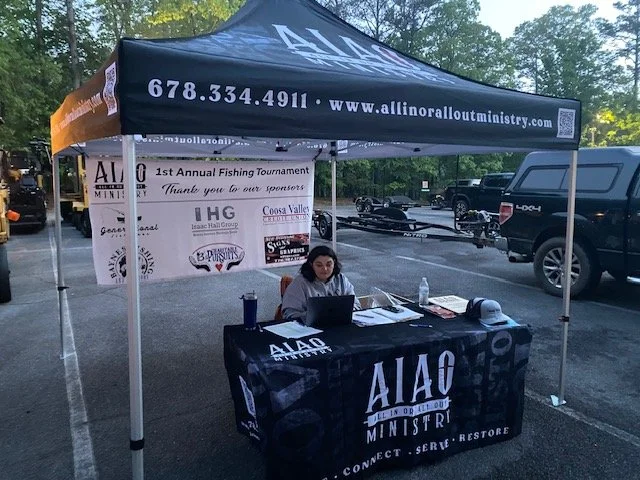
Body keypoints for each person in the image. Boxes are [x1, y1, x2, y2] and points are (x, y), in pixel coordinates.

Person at [282, 245, 360, 322]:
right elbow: (289, 313)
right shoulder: (300, 283)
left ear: (334, 263)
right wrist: (312, 316)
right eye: (319, 265)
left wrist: (344, 313)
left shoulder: (341, 279)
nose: (325, 269)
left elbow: (356, 305)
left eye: (329, 264)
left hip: (339, 325)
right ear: (311, 265)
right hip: (309, 328)